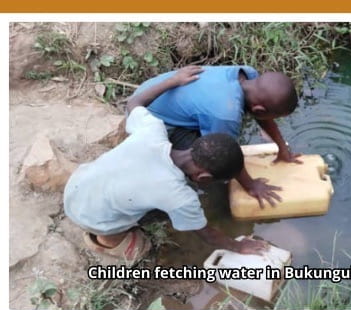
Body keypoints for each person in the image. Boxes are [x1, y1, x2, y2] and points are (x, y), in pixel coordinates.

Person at [64, 66, 268, 264]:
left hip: (75, 186)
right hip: (93, 220)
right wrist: (240, 247)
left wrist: (173, 80)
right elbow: (209, 236)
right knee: (155, 232)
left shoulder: (152, 129)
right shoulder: (180, 198)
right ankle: (107, 239)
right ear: (203, 177)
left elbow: (135, 102)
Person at [133, 65, 303, 207]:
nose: (272, 120)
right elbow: (224, 154)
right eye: (273, 116)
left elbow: (263, 117)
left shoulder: (247, 75)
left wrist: (282, 148)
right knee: (212, 163)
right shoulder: (226, 113)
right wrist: (251, 185)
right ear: (259, 109)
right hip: (148, 115)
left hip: (150, 92)